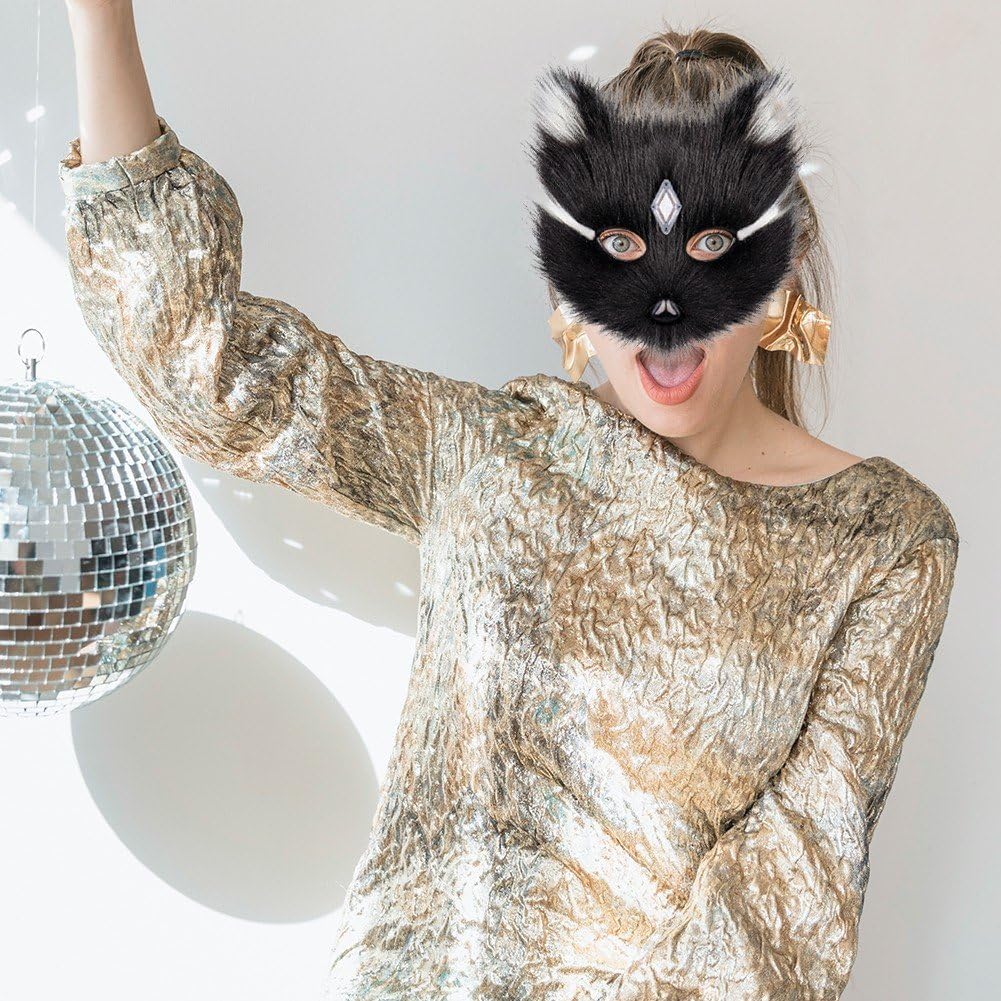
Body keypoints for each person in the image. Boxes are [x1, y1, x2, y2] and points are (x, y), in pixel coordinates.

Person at [61, 4, 960, 999]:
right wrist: (98, 17)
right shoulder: (491, 452)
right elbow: (206, 363)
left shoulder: (883, 540)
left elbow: (787, 909)